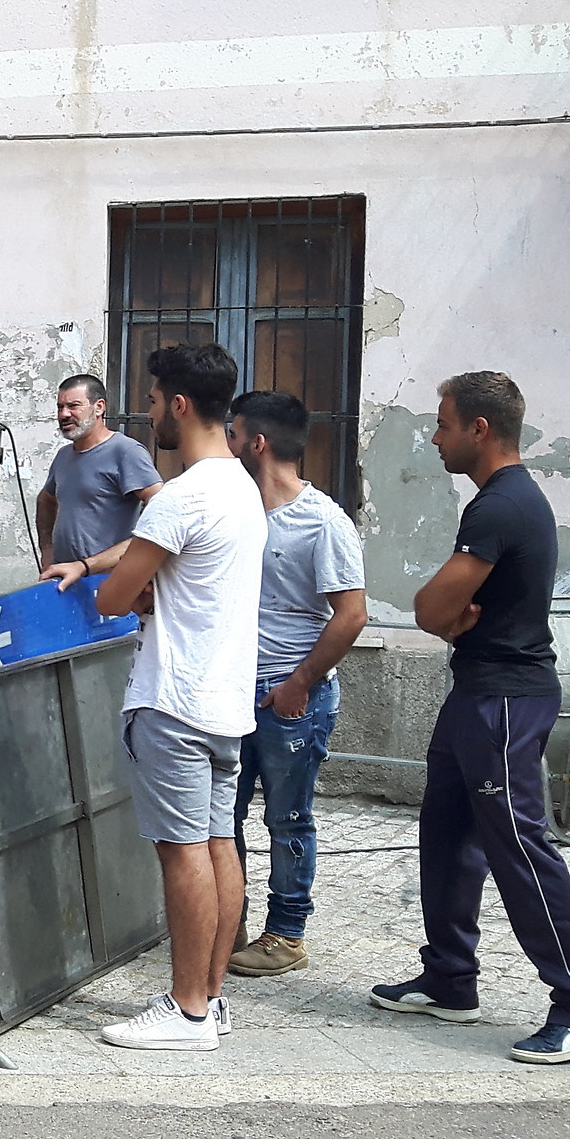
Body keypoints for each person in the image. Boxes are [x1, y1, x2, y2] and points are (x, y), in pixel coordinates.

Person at [369, 372, 570, 1064]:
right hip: (478, 689)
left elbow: (428, 608)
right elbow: (449, 610)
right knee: (446, 830)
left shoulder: (500, 507)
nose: (435, 435)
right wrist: (453, 618)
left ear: (480, 428)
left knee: (518, 843)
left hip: (504, 699)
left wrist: (447, 615)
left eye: (444, 423)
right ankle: (451, 976)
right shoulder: (500, 501)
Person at [43, 343, 263, 1051]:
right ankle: (213, 996)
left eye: (153, 396)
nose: (148, 411)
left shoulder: (185, 495)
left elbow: (113, 592)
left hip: (173, 696)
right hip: (226, 696)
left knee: (182, 851)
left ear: (179, 404)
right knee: (220, 841)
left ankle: (187, 1006)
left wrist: (139, 587)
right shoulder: (242, 487)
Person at [223, 390, 367, 977]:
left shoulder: (323, 521)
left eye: (232, 435)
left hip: (290, 701)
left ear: (256, 444)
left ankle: (286, 933)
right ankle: (225, 920)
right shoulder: (235, 510)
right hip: (231, 691)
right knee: (219, 814)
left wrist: (299, 683)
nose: (224, 445)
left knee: (287, 818)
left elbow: (351, 613)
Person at [37, 374, 161, 569]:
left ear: (99, 407)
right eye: (60, 407)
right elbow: (45, 500)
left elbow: (162, 508)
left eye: (73, 406)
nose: (64, 414)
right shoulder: (64, 455)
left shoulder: (126, 451)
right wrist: (47, 550)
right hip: (65, 581)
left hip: (107, 583)